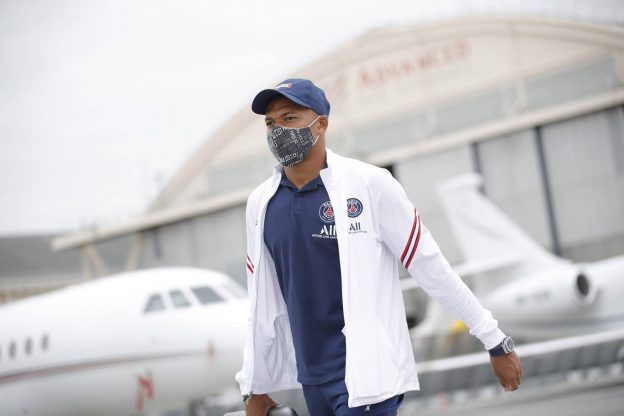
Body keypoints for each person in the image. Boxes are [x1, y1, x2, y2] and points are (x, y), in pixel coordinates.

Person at [235, 78, 522, 416]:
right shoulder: (261, 204)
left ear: (321, 124)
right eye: (270, 123)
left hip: (367, 376)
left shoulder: (370, 184)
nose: (278, 130)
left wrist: (494, 339)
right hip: (310, 379)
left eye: (289, 118)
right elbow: (261, 303)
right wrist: (253, 386)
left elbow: (430, 266)